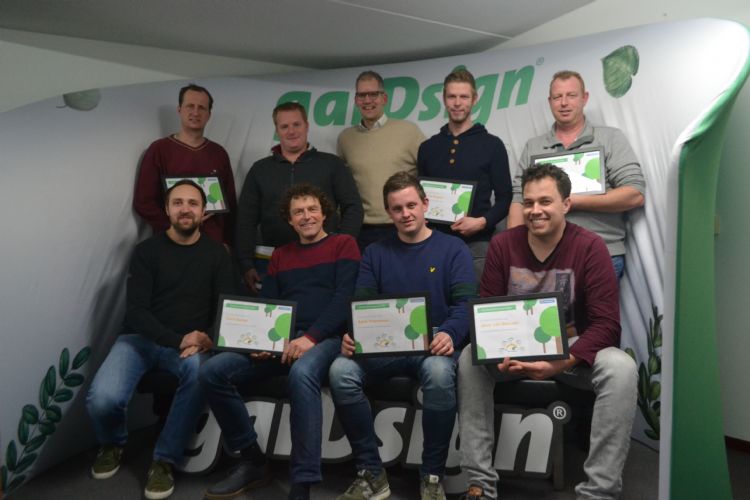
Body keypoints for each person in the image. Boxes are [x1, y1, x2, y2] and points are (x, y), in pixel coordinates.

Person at [457, 164, 637, 500]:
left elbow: (607, 325)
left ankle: (599, 492)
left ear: (566, 204)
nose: (535, 210)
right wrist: (499, 350)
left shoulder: (591, 247)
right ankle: (480, 484)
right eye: (528, 202)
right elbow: (486, 312)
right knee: (470, 357)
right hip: (514, 351)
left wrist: (562, 361)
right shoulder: (502, 245)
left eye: (545, 201)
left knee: (621, 367)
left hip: (571, 353)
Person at [200, 184, 361, 500]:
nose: (306, 216)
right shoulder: (280, 255)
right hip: (283, 340)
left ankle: (302, 482)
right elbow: (269, 306)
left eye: (312, 209)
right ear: (289, 220)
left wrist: (310, 338)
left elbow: (344, 300)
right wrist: (263, 341)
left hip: (327, 339)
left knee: (301, 373)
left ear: (324, 214)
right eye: (298, 212)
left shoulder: (344, 244)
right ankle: (253, 459)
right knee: (212, 371)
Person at [329, 172, 476, 500]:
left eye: (411, 205)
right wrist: (353, 334)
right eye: (397, 208)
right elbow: (362, 305)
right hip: (385, 346)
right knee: (340, 371)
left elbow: (466, 304)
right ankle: (371, 474)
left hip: (435, 345)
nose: (405, 213)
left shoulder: (454, 249)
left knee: (439, 374)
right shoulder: (374, 253)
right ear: (388, 212)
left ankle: (432, 476)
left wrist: (450, 334)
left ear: (425, 204)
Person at [86, 180, 235, 500]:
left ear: (204, 212)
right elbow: (136, 311)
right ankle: (112, 443)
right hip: (138, 340)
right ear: (167, 209)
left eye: (193, 203)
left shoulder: (217, 255)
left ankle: (165, 459)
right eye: (178, 203)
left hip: (189, 347)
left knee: (199, 373)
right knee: (103, 399)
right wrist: (177, 339)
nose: (185, 209)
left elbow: (225, 306)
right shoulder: (146, 252)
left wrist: (207, 339)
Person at [507, 70, 645, 279]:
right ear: (550, 101)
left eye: (571, 95)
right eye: (557, 97)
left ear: (584, 98)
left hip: (600, 254)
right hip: (542, 257)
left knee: (597, 304)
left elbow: (635, 194)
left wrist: (573, 201)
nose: (564, 103)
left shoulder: (610, 138)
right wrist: (514, 252)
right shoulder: (533, 147)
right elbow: (519, 199)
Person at [237, 102, 363, 294]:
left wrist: (342, 246)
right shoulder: (260, 170)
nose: (291, 131)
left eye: (296, 124)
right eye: (284, 126)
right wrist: (246, 263)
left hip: (326, 261)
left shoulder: (332, 164)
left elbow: (353, 207)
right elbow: (245, 219)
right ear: (277, 130)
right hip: (273, 262)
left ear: (307, 126)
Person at [417, 68, 512, 279]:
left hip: (477, 246)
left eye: (464, 97)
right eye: (452, 96)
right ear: (444, 99)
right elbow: (420, 197)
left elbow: (505, 197)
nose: (457, 103)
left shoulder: (492, 145)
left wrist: (482, 222)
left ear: (474, 99)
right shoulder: (427, 148)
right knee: (435, 296)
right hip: (433, 244)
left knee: (474, 297)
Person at [134, 83, 237, 247]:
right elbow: (143, 202)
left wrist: (228, 243)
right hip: (171, 244)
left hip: (211, 245)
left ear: (209, 115)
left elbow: (231, 206)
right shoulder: (159, 150)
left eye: (201, 108)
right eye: (190, 106)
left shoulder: (219, 153)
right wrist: (175, 227)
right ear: (179, 109)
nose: (195, 112)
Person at [338, 70, 425, 251]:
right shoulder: (346, 138)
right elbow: (343, 186)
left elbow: (429, 174)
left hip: (402, 226)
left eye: (373, 94)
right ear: (356, 100)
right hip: (362, 231)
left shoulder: (409, 131)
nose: (367, 100)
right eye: (362, 95)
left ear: (384, 98)